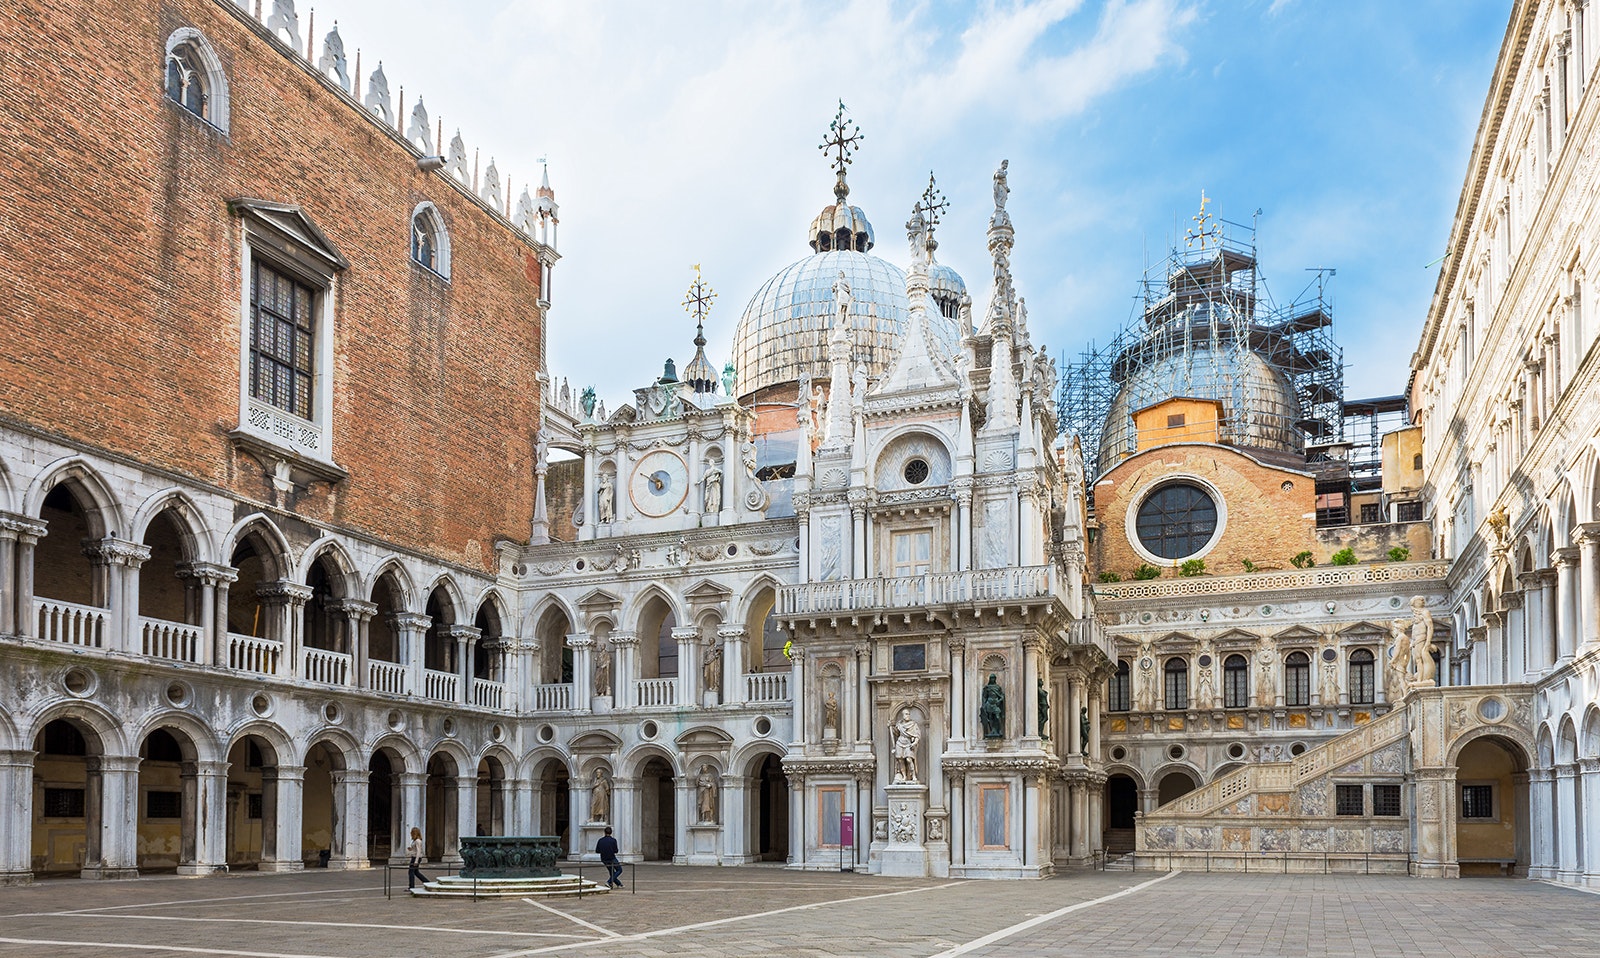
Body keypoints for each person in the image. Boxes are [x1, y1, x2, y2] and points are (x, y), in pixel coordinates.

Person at [406, 826, 429, 890]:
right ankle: (427, 882)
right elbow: (415, 849)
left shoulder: (418, 841)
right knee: (416, 872)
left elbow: (419, 851)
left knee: (411, 872)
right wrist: (411, 849)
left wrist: (416, 861)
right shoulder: (415, 840)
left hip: (416, 857)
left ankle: (411, 886)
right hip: (414, 856)